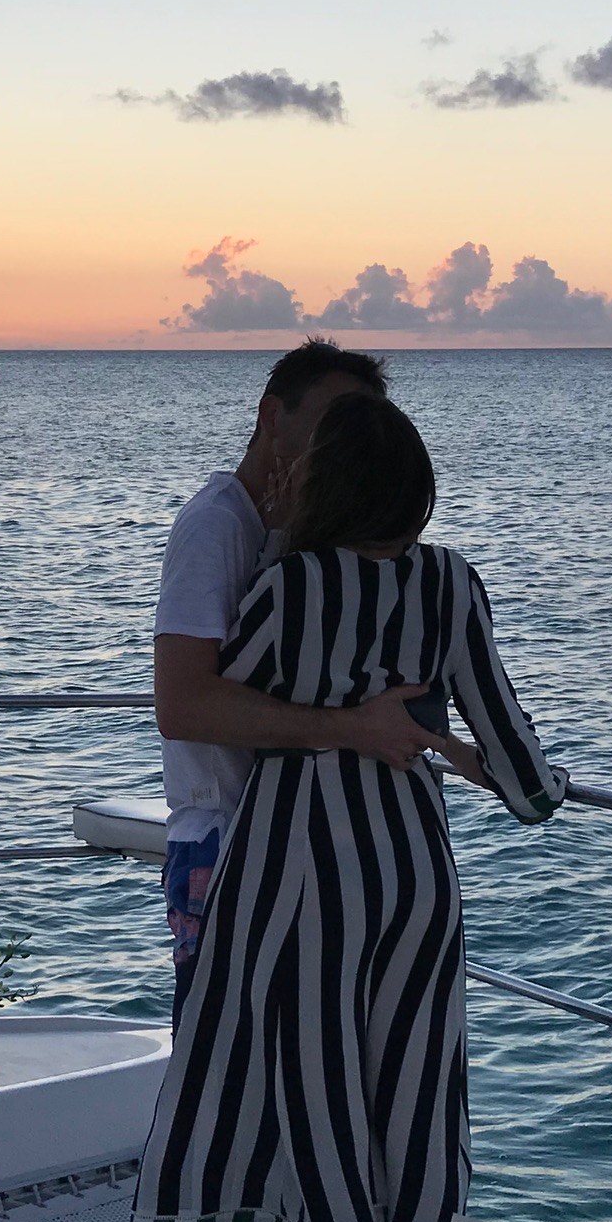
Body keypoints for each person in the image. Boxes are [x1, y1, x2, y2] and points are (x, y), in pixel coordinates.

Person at [133, 392, 567, 1222]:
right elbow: (523, 778)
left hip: (292, 869)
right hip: (413, 871)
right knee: (417, 1098)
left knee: (311, 1107)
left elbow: (215, 700)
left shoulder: (287, 588)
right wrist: (523, 779)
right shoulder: (452, 585)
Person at [154, 339, 438, 1031]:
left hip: (301, 845)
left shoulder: (301, 538)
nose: (347, 447)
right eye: (332, 423)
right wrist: (355, 730)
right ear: (271, 416)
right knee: (225, 1061)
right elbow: (183, 704)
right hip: (230, 843)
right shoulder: (217, 527)